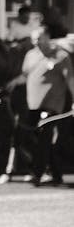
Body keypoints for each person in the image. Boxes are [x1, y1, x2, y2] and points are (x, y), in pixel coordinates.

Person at [17, 26, 74, 186]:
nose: (36, 42)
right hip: (32, 105)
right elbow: (25, 75)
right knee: (26, 139)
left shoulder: (61, 56)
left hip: (52, 105)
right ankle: (55, 173)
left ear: (47, 37)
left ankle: (37, 174)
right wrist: (10, 86)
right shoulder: (30, 55)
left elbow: (70, 80)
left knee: (44, 137)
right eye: (34, 39)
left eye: (39, 38)